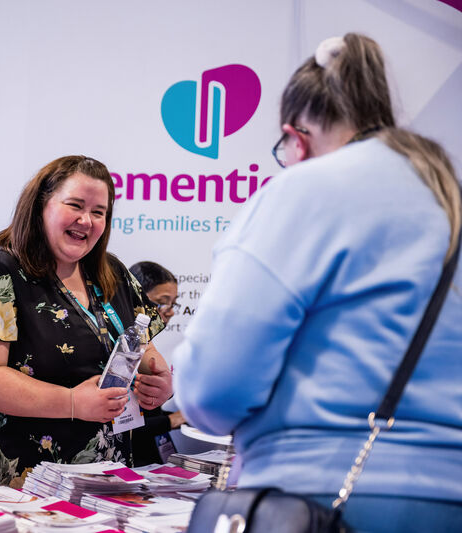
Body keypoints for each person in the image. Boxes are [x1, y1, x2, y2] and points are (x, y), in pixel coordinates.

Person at [173, 33, 462, 532]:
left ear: (296, 137)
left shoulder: (302, 190)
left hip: (322, 498)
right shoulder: (445, 197)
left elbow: (212, 391)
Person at [0, 155, 173, 488]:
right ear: (41, 205)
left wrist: (158, 382)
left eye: (99, 212)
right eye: (75, 206)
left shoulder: (112, 272)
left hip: (104, 480)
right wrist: (72, 403)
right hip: (20, 482)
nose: (86, 220)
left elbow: (142, 348)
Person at [128, 261, 185, 466]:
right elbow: (124, 426)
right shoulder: (124, 350)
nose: (169, 311)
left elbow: (148, 413)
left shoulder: (149, 349)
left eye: (173, 303)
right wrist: (173, 420)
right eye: (162, 302)